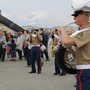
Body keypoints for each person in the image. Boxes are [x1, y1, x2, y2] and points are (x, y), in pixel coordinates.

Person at [58, 6, 90, 90]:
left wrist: (63, 31)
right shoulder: (84, 31)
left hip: (86, 70)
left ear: (85, 15)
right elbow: (80, 54)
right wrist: (70, 49)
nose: (73, 18)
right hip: (84, 69)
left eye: (76, 15)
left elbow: (66, 41)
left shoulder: (87, 31)